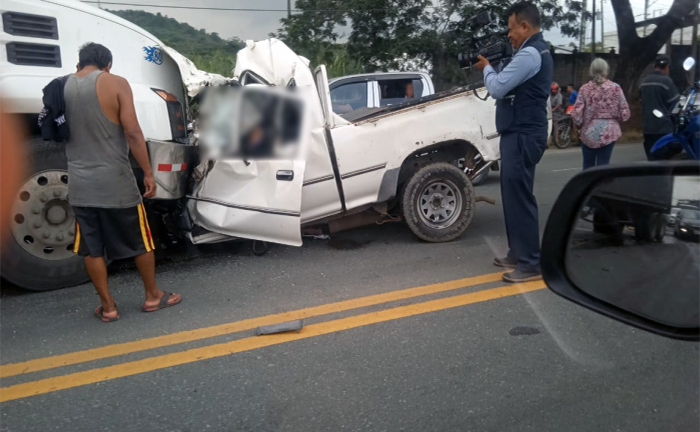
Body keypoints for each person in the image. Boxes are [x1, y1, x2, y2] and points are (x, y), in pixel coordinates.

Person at [64, 43, 182, 322]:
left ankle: (108, 307)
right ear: (108, 65)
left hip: (80, 183)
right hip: (116, 181)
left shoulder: (61, 86)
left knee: (91, 248)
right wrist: (149, 173)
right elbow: (131, 131)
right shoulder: (115, 83)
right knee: (140, 240)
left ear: (79, 63)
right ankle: (153, 296)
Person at [474, 1, 553, 283]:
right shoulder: (529, 52)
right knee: (512, 195)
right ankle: (517, 253)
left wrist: (486, 68)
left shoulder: (531, 54)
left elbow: (496, 87)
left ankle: (531, 263)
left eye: (511, 29)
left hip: (523, 134)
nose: (509, 35)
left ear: (524, 26)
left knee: (521, 198)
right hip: (516, 133)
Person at [571, 58, 631, 169]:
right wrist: (614, 121)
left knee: (588, 166)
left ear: (591, 71)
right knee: (603, 165)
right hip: (609, 132)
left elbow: (577, 115)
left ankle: (588, 185)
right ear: (606, 71)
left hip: (588, 133)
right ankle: (601, 185)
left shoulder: (584, 89)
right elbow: (625, 113)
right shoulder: (616, 88)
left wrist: (578, 127)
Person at [640, 54, 680, 160]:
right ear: (667, 67)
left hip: (647, 128)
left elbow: (642, 102)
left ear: (655, 66)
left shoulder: (644, 82)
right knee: (664, 162)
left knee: (651, 160)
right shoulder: (667, 81)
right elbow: (676, 105)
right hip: (664, 128)